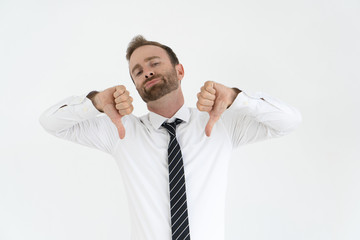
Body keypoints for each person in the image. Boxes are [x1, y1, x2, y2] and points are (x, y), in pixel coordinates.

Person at [39, 35, 302, 240]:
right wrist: (94, 102)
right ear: (136, 86)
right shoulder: (121, 131)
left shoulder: (221, 125)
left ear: (180, 71)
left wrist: (236, 98)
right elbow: (51, 123)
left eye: (154, 63)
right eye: (138, 72)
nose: (147, 72)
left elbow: (289, 122)